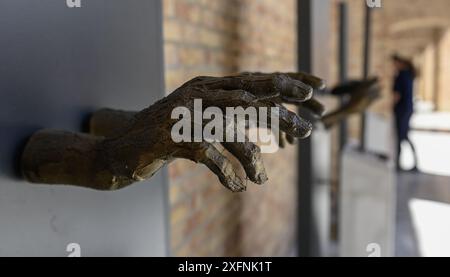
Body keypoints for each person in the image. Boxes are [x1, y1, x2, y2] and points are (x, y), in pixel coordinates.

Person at [392, 54, 418, 172]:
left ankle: (399, 163)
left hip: (401, 109)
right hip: (407, 108)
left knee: (401, 136)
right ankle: (413, 161)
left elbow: (397, 95)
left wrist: (391, 105)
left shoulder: (401, 75)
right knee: (405, 135)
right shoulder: (408, 74)